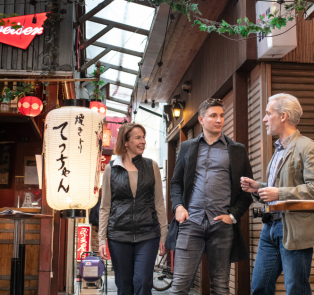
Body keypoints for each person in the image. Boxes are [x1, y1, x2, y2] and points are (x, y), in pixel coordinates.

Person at [166, 98, 253, 295]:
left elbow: (247, 191)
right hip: (191, 222)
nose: (219, 120)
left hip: (221, 224)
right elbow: (176, 183)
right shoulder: (187, 147)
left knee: (221, 288)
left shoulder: (237, 150)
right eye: (213, 116)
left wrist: (232, 216)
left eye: (221, 115)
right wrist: (178, 206)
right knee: (179, 286)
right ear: (201, 120)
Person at [241, 93, 314, 295]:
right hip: (270, 227)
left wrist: (278, 193)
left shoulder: (307, 147)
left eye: (268, 113)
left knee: (296, 289)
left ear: (283, 116)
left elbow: (313, 188)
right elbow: (280, 186)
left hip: (294, 228)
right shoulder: (278, 150)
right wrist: (258, 187)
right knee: (259, 287)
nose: (264, 119)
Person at [98, 123, 167, 295]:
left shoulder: (152, 167)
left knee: (143, 282)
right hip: (118, 235)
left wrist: (164, 236)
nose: (143, 141)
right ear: (126, 142)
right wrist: (101, 240)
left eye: (143, 137)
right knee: (124, 284)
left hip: (148, 234)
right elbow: (105, 206)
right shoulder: (111, 168)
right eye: (138, 138)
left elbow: (159, 203)